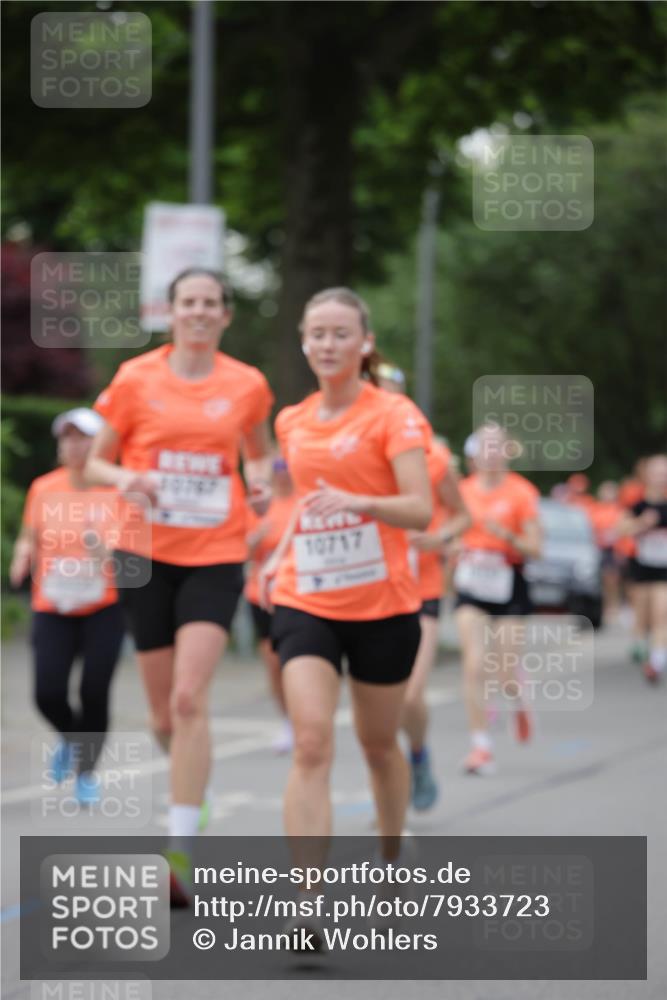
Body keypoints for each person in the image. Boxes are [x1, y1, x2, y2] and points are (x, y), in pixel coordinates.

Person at [85, 268, 273, 904]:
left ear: (225, 315)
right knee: (164, 713)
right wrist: (124, 480)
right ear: (170, 313)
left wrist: (264, 483)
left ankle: (179, 847)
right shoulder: (137, 378)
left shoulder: (247, 385)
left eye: (210, 303)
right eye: (188, 302)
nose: (198, 312)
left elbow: (258, 453)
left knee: (191, 700)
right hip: (142, 553)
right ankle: (197, 788)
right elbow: (95, 460)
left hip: (215, 553)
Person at [260, 287, 432, 945]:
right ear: (303, 342)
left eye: (340, 334)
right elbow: (308, 505)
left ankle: (390, 860)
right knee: (310, 741)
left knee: (376, 744)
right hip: (308, 596)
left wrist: (359, 501)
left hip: (383, 604)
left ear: (363, 344)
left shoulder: (394, 415)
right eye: (316, 334)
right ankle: (308, 902)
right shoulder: (291, 420)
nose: (327, 344)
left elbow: (418, 509)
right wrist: (276, 556)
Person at [9, 408, 125, 805]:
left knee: (94, 691)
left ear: (100, 446)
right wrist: (21, 555)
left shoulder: (115, 494)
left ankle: (86, 772)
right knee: (47, 692)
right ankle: (72, 739)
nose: (74, 445)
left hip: (102, 608)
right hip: (53, 606)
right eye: (68, 438)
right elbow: (29, 534)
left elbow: (125, 558)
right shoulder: (44, 488)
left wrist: (100, 549)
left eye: (83, 438)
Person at [375, 362, 471, 810]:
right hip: (371, 589)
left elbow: (462, 514)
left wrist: (441, 537)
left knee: (410, 693)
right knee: (375, 708)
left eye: (391, 392)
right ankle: (389, 798)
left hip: (422, 588)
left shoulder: (430, 456)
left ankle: (418, 755)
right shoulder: (350, 450)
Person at [454, 424, 542, 774]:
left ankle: (517, 696)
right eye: (484, 447)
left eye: (497, 447)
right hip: (472, 584)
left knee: (504, 672)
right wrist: (454, 546)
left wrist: (507, 536)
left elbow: (536, 547)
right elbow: (449, 531)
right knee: (475, 664)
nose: (490, 454)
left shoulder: (522, 493)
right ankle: (481, 746)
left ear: (507, 452)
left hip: (509, 582)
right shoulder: (462, 491)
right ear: (475, 453)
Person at [244, 455, 297, 753]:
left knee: (296, 661)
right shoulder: (259, 505)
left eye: (287, 468)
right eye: (277, 468)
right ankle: (288, 721)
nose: (283, 474)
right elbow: (240, 551)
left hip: (296, 594)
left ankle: (306, 717)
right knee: (274, 664)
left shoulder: (302, 502)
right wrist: (254, 541)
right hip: (261, 595)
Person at [616, 454, 667, 682]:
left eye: (664, 472)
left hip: (664, 570)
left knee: (661, 614)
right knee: (643, 617)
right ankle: (642, 645)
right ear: (647, 475)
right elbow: (622, 529)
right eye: (657, 472)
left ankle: (656, 662)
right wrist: (642, 523)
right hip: (641, 568)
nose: (661, 477)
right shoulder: (638, 504)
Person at [589, 481, 624, 624]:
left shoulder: (619, 510)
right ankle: (602, 606)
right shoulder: (594, 509)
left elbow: (622, 530)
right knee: (599, 579)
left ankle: (613, 606)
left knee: (612, 579)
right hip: (596, 547)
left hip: (613, 549)